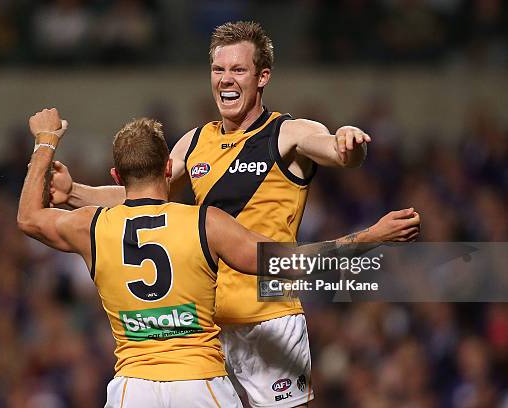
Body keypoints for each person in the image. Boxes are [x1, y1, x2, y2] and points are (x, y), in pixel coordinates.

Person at [48, 21, 421, 408]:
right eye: (218, 69)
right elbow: (141, 197)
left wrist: (347, 140)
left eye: (238, 70)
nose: (226, 79)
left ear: (262, 76)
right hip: (205, 330)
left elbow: (338, 151)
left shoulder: (287, 133)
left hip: (269, 320)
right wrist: (74, 192)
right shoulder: (195, 141)